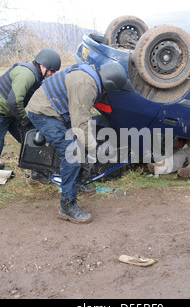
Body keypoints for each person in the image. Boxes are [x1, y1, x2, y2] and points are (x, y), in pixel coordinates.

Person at [25, 62, 127, 223]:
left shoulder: (91, 74)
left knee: (79, 144)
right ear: (107, 86)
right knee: (72, 152)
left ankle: (76, 183)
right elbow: (80, 124)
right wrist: (94, 149)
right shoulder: (86, 85)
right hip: (43, 112)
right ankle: (67, 204)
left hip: (54, 110)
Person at [0, 49, 62, 201]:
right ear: (42, 66)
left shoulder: (37, 77)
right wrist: (24, 119)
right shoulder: (26, 74)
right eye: (52, 71)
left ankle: (38, 173)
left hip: (11, 112)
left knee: (33, 141)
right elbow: (14, 101)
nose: (53, 74)